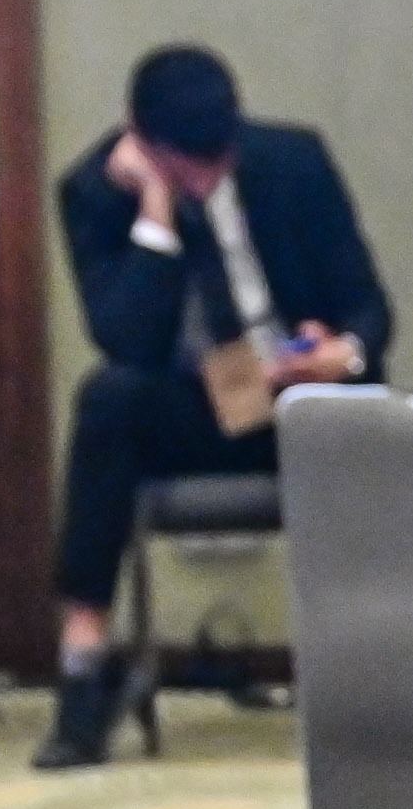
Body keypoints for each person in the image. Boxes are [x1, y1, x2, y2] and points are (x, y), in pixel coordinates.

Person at [43, 42, 387, 770]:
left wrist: (343, 353)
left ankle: (376, 668)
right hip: (199, 402)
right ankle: (83, 667)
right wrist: (157, 213)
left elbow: (368, 304)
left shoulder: (292, 162)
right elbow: (128, 342)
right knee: (106, 400)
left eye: (216, 161)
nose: (207, 177)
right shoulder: (92, 195)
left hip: (302, 401)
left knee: (371, 413)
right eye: (184, 166)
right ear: (140, 140)